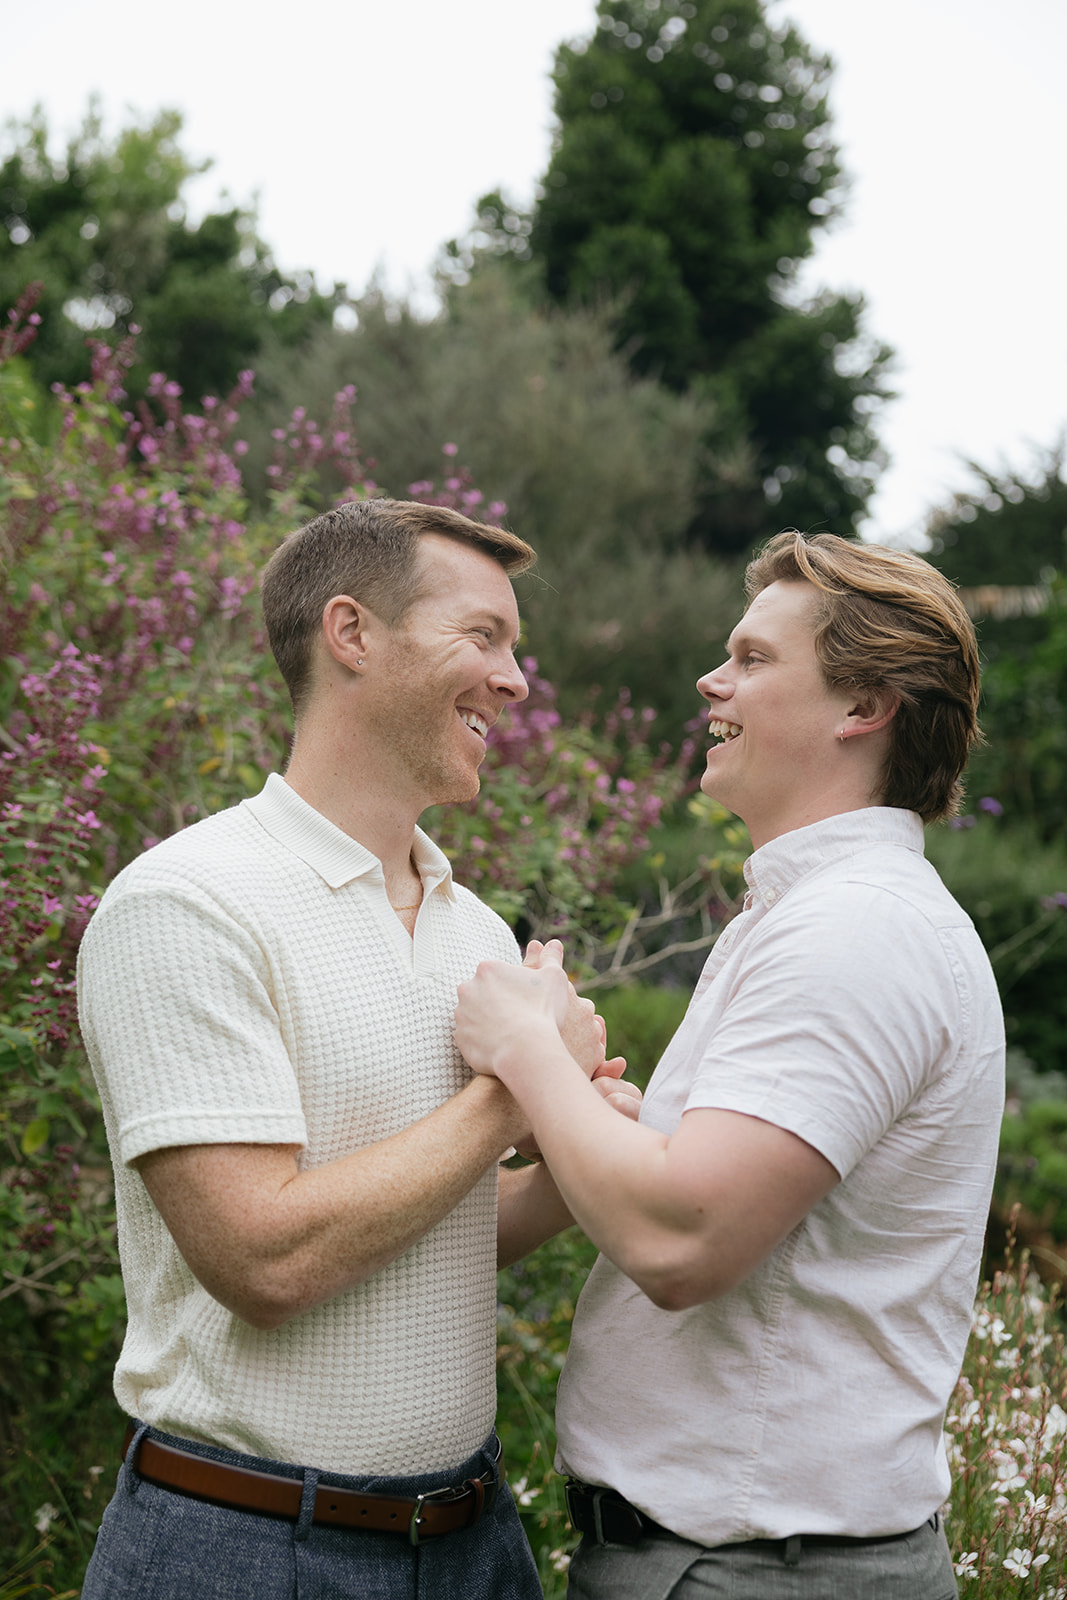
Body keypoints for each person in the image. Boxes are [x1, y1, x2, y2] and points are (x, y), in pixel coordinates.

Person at [77, 497, 636, 1600]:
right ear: (351, 633)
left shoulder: (476, 931)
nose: (516, 680)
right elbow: (267, 1261)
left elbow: (435, 1238)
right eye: (482, 637)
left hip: (476, 1548)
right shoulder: (188, 903)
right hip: (242, 1551)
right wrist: (512, 1094)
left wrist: (578, 1157)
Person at [454, 529, 1005, 1600]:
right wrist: (587, 1118)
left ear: (861, 707)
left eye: (753, 659)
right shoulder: (804, 914)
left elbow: (682, 1239)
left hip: (753, 1572)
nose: (712, 678)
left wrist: (527, 1051)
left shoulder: (852, 931)